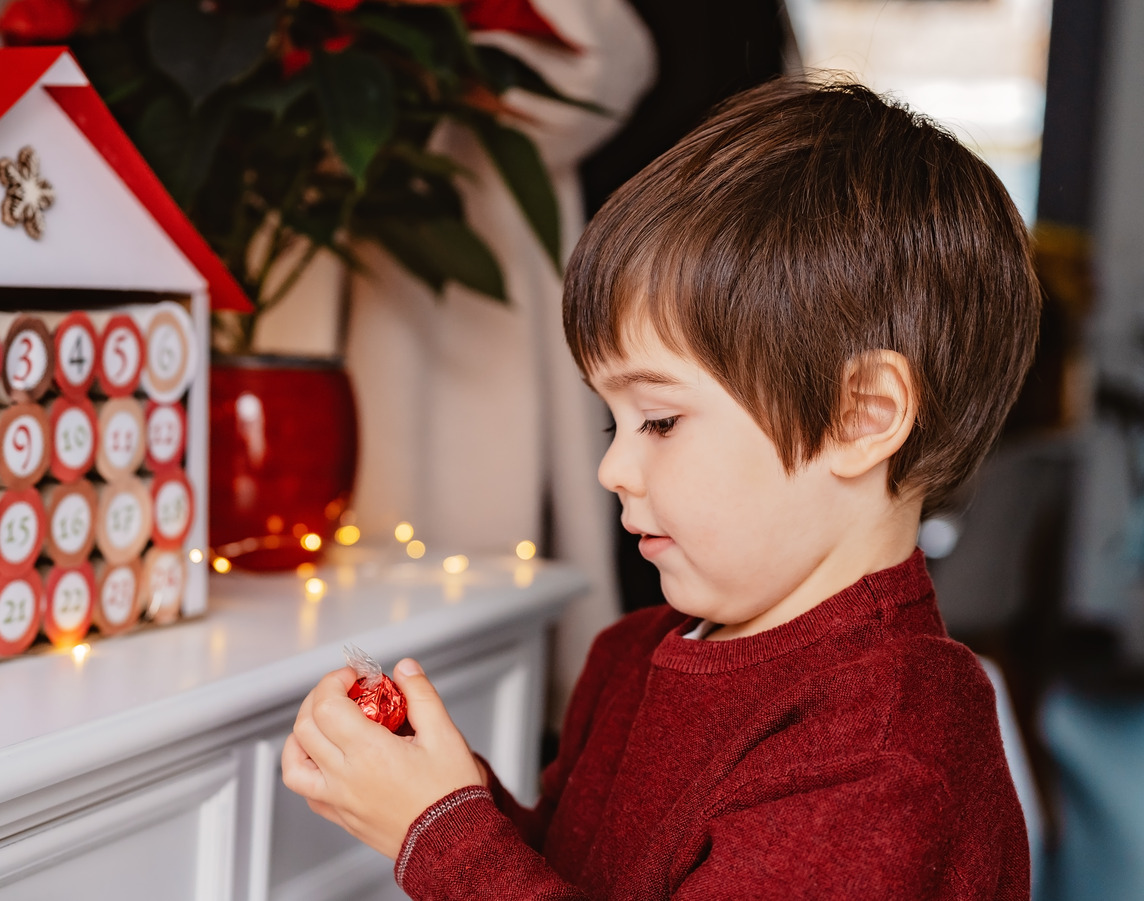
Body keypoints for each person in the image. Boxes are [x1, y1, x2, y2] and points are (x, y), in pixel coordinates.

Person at [281, 78, 1039, 900]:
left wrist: (439, 834)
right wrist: (453, 796)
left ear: (863, 415)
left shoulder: (885, 743)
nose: (611, 468)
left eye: (661, 420)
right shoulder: (631, 656)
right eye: (614, 424)